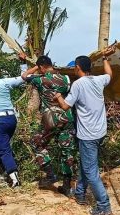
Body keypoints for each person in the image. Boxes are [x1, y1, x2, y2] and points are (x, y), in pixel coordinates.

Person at [54, 47, 115, 215]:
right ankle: (80, 193)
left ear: (78, 68)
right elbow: (110, 74)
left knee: (91, 171)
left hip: (88, 135)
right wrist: (104, 58)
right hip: (100, 132)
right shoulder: (98, 80)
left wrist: (58, 96)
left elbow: (66, 106)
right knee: (86, 165)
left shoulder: (77, 85)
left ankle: (104, 205)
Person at [21, 54, 76, 197]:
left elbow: (24, 76)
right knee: (67, 151)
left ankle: (50, 174)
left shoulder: (39, 79)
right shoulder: (66, 79)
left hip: (50, 121)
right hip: (67, 118)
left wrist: (35, 68)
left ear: (41, 67)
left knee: (36, 142)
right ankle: (67, 186)